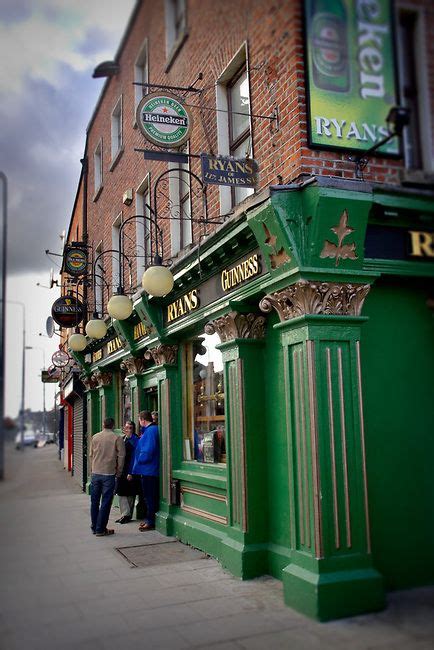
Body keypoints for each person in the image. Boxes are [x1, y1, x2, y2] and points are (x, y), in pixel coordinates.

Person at [90, 417, 125, 537]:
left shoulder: (95, 437)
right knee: (105, 502)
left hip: (95, 473)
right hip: (109, 474)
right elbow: (121, 456)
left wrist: (93, 469)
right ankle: (100, 529)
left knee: (94, 501)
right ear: (113, 425)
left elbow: (91, 455)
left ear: (103, 424)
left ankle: (95, 527)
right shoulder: (117, 438)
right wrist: (119, 472)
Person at [132, 410, 159, 531]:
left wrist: (139, 460)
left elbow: (148, 450)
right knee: (149, 496)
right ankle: (149, 519)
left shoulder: (151, 431)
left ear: (143, 420)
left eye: (139, 420)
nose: (139, 422)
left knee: (149, 496)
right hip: (149, 469)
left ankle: (150, 521)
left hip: (149, 469)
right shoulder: (150, 430)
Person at [115, 420, 140, 524]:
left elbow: (135, 457)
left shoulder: (136, 439)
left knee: (130, 493)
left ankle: (127, 515)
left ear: (133, 429)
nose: (128, 430)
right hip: (122, 469)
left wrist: (131, 472)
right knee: (121, 492)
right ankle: (125, 514)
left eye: (130, 428)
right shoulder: (122, 439)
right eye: (126, 428)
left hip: (131, 469)